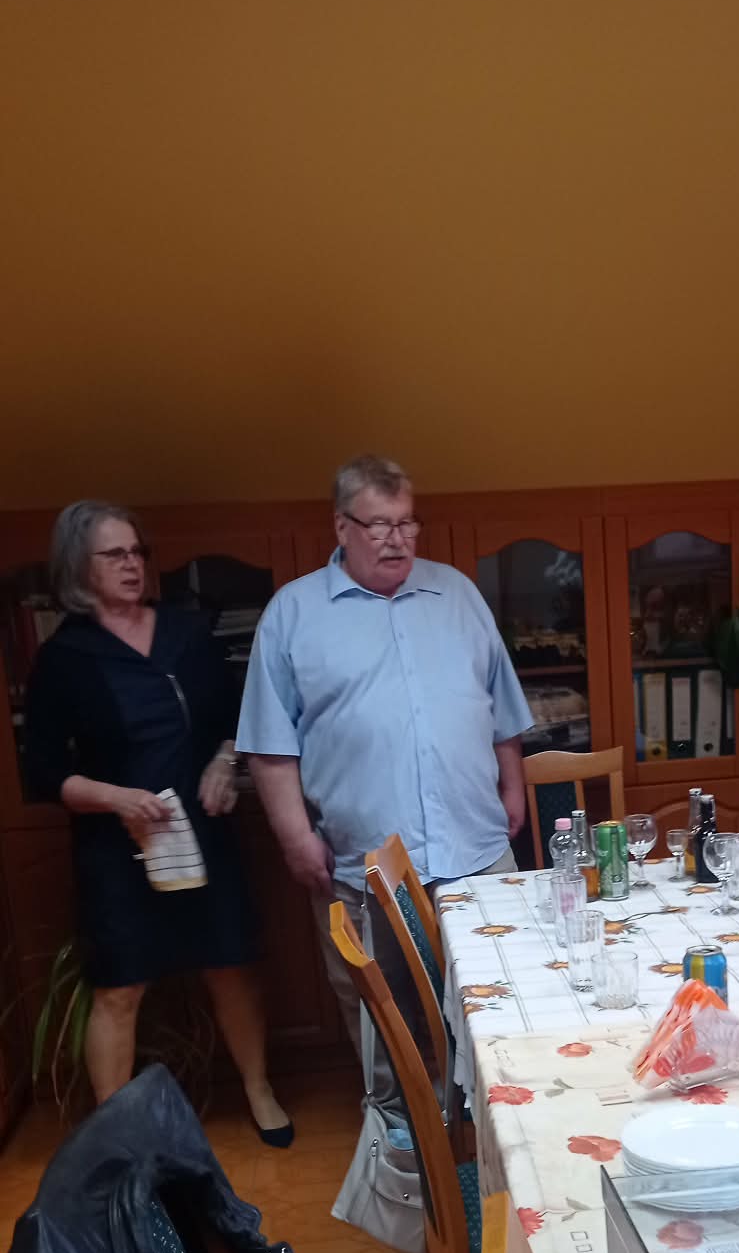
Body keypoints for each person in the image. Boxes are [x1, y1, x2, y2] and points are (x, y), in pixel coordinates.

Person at [236, 454, 535, 1061]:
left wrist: (513, 786)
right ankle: (400, 1122)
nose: (397, 539)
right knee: (385, 1026)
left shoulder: (457, 594)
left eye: (406, 522)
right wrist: (295, 838)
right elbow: (270, 746)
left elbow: (501, 706)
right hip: (364, 867)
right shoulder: (293, 614)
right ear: (341, 527)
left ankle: (494, 1119)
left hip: (476, 854)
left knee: (505, 1007)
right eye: (378, 525)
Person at [24, 501, 293, 1141]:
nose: (133, 565)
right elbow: (43, 773)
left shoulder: (185, 632)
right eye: (114, 555)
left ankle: (259, 1091)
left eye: (138, 552)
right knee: (120, 988)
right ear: (79, 567)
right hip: (119, 846)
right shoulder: (65, 656)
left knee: (229, 965)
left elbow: (238, 716)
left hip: (204, 831)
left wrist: (225, 762)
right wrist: (116, 798)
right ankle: (116, 1132)